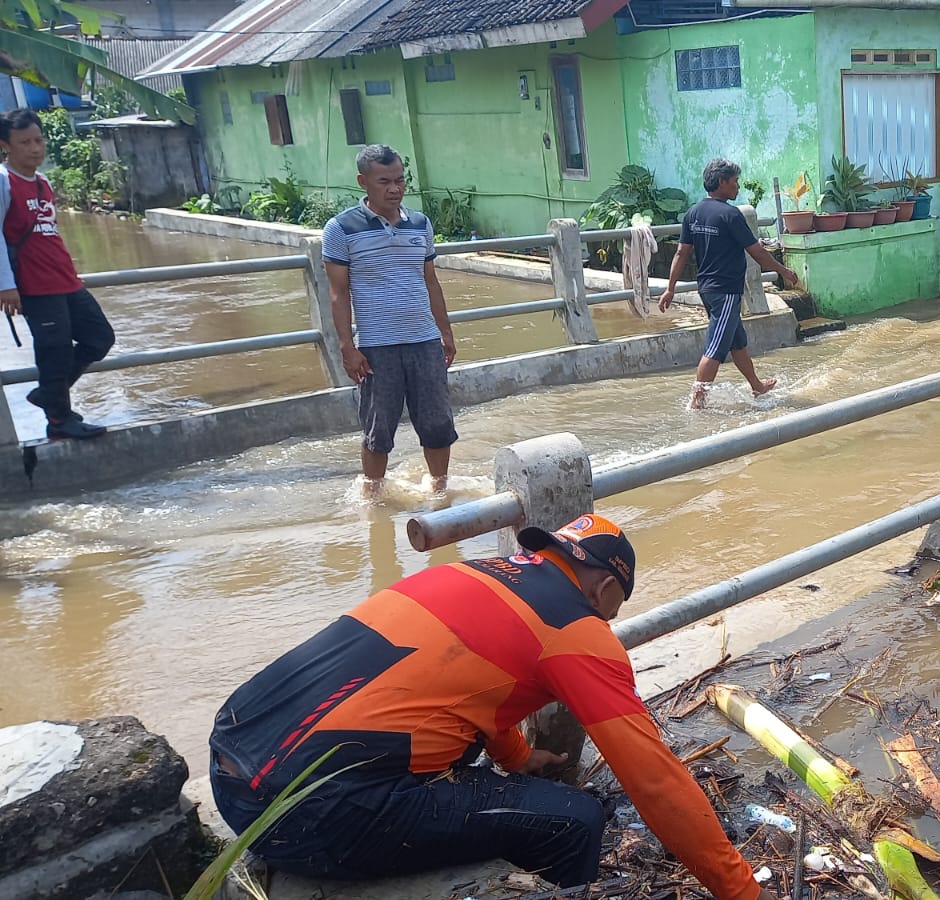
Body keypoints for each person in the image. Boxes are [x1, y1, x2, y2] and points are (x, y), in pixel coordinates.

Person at [209, 513, 778, 900]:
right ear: (607, 592)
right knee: (575, 822)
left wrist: (521, 758)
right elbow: (654, 782)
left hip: (233, 763)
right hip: (311, 817)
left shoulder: (468, 573)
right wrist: (740, 889)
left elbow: (478, 693)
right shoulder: (575, 629)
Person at [324, 144, 457, 495]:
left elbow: (430, 281)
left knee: (438, 423)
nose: (395, 188)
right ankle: (373, 497)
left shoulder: (420, 224)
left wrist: (445, 333)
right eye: (384, 181)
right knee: (377, 428)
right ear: (363, 182)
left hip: (424, 341)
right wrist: (347, 347)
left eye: (400, 180)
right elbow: (339, 293)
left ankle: (440, 491)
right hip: (376, 347)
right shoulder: (341, 229)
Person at [0, 109, 114, 440]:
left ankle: (50, 393)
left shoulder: (42, 181)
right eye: (25, 142)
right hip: (34, 285)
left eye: (39, 140)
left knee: (99, 337)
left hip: (65, 278)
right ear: (6, 145)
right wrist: (6, 286)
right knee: (55, 350)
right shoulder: (4, 182)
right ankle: (59, 419)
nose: (35, 148)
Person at [660, 158, 798, 409]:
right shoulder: (730, 214)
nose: (737, 187)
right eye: (734, 182)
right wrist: (783, 271)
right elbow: (757, 252)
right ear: (721, 182)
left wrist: (670, 288)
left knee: (736, 341)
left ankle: (756, 386)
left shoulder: (693, 213)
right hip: (726, 291)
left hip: (708, 288)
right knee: (715, 347)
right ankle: (697, 403)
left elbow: (681, 253)